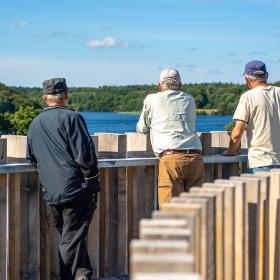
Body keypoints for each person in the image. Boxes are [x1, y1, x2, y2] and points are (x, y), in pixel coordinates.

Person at [27, 78, 100, 280]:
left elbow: (31, 157)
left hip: (51, 192)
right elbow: (86, 156)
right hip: (76, 189)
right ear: (66, 95)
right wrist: (93, 184)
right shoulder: (72, 118)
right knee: (72, 239)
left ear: (44, 98)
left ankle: (83, 274)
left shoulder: (34, 124)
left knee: (71, 237)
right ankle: (68, 277)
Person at [136, 68, 204, 209]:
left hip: (171, 158)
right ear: (180, 84)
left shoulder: (151, 99)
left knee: (170, 211)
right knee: (196, 211)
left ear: (159, 84)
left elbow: (142, 128)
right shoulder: (189, 99)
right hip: (195, 159)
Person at [223, 60, 280, 173]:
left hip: (262, 162)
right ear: (266, 75)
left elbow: (238, 132)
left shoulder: (248, 97)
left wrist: (230, 151)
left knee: (261, 191)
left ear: (246, 79)